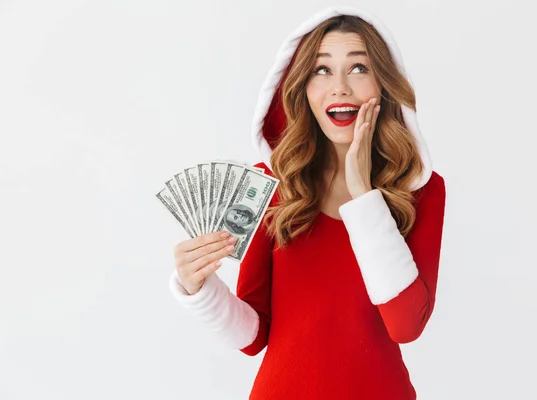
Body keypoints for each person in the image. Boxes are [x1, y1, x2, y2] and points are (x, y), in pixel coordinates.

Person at [169, 5, 446, 399]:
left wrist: (363, 193)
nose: (340, 88)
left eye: (359, 68)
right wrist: (198, 289)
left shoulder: (423, 190)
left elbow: (405, 327)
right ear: (302, 88)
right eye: (322, 70)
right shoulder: (269, 183)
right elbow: (253, 335)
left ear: (383, 84)